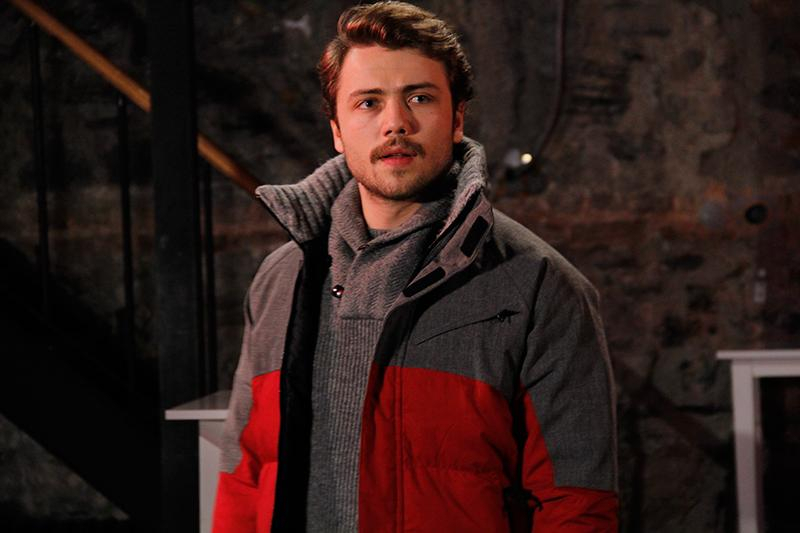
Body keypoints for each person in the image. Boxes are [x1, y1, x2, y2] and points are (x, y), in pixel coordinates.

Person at [212, 2, 618, 532]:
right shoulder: (280, 280)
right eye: (368, 102)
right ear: (337, 130)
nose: (395, 123)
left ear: (457, 119)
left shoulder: (538, 286)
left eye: (419, 98)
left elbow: (576, 504)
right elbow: (244, 479)